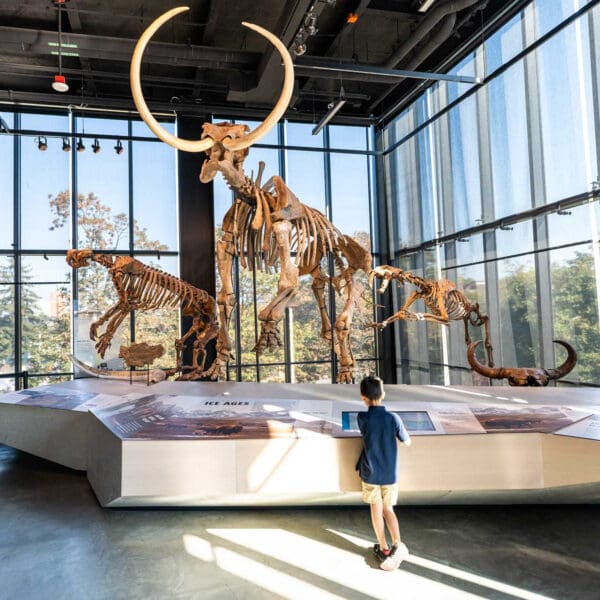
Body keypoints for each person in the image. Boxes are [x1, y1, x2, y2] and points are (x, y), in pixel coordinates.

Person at [355, 375, 411, 571]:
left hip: (371, 474)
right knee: (389, 510)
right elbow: (407, 440)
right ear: (383, 394)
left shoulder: (362, 418)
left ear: (363, 397)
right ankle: (398, 543)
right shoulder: (393, 418)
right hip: (389, 474)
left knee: (376, 510)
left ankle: (384, 548)